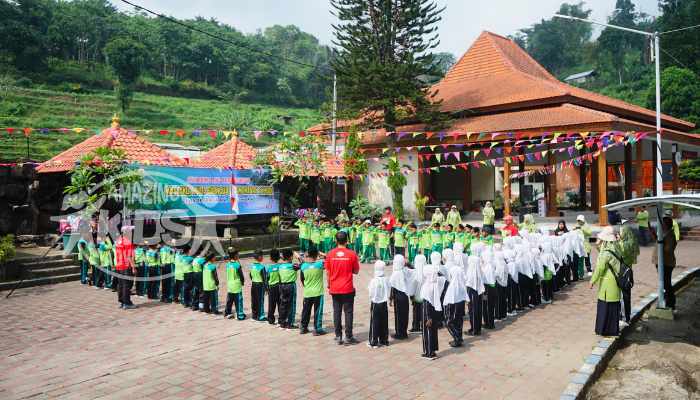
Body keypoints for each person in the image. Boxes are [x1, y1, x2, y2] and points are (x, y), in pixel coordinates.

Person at [325, 231, 360, 345]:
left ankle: (338, 336)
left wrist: (329, 284)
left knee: (337, 311)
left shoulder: (330, 254)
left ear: (336, 240)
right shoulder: (352, 254)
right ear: (347, 241)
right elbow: (356, 271)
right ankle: (348, 336)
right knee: (348, 312)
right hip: (347, 288)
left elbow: (328, 272)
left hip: (334, 287)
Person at [590, 227, 622, 337]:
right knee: (613, 306)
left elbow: (600, 267)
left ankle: (603, 330)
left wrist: (592, 281)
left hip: (608, 283)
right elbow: (602, 252)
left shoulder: (607, 252)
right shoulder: (615, 247)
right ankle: (613, 330)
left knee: (605, 306)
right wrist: (598, 244)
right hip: (615, 282)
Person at [420, 253, 446, 359]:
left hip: (428, 313)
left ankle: (429, 352)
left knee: (427, 332)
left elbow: (426, 303)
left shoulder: (427, 286)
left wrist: (428, 317)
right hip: (434, 311)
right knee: (433, 331)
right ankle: (433, 350)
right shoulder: (436, 283)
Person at [652, 216, 678, 309]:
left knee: (666, 284)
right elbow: (658, 241)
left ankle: (671, 303)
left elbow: (668, 249)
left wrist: (661, 243)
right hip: (661, 262)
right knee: (664, 283)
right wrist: (653, 233)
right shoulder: (664, 232)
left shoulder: (670, 235)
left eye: (662, 223)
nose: (661, 225)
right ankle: (667, 301)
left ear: (666, 225)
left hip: (666, 263)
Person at [443, 248, 468, 347]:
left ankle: (457, 338)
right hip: (460, 304)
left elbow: (449, 299)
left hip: (453, 305)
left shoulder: (452, 286)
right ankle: (459, 338)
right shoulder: (460, 284)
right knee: (459, 320)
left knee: (449, 321)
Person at [299, 248, 326, 335]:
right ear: (316, 255)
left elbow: (302, 279)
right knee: (318, 311)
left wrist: (306, 286)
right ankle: (317, 329)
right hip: (318, 292)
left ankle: (303, 327)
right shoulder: (320, 264)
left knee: (306, 311)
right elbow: (329, 259)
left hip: (307, 292)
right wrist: (321, 253)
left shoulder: (303, 266)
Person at [616, 224, 638, 323]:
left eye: (621, 232)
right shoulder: (631, 241)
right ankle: (626, 316)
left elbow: (622, 253)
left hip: (624, 272)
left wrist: (618, 241)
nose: (619, 234)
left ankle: (624, 316)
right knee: (625, 296)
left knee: (623, 296)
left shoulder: (627, 244)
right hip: (627, 271)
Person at [389, 254, 412, 340]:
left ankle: (399, 333)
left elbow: (391, 285)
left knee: (398, 315)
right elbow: (413, 269)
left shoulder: (396, 273)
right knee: (405, 314)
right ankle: (404, 332)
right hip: (405, 296)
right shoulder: (405, 270)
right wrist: (407, 264)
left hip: (398, 295)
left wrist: (390, 298)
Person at [368, 260, 390, 348]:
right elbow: (389, 288)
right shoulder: (386, 279)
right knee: (384, 321)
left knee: (374, 322)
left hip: (375, 303)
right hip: (384, 303)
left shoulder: (374, 280)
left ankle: (374, 341)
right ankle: (384, 340)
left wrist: (373, 297)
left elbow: (371, 293)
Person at [277, 248, 299, 329]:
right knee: (291, 305)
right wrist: (298, 256)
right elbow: (304, 264)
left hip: (282, 286)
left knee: (283, 304)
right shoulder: (293, 266)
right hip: (291, 286)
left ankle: (282, 322)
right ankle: (290, 323)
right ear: (290, 257)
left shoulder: (280, 266)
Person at [114, 226, 136, 309]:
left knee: (121, 285)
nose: (132, 233)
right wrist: (133, 267)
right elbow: (129, 256)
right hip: (126, 266)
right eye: (130, 231)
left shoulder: (119, 240)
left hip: (119, 265)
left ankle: (122, 302)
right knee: (127, 285)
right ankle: (127, 303)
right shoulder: (128, 242)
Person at [465, 253, 485, 336]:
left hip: (472, 291)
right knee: (478, 310)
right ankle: (477, 328)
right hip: (478, 291)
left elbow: (469, 282)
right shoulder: (479, 270)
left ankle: (474, 329)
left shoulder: (471, 271)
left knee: (472, 310)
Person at [224, 247, 246, 320]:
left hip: (230, 285)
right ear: (235, 256)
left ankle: (227, 313)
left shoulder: (227, 265)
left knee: (229, 300)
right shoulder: (237, 265)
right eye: (237, 254)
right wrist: (243, 282)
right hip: (237, 285)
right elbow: (241, 275)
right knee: (238, 300)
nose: (238, 256)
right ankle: (240, 314)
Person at [249, 249, 267, 321]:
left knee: (254, 300)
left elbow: (250, 275)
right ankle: (261, 316)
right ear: (259, 257)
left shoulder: (252, 266)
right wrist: (266, 288)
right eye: (262, 256)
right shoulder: (262, 267)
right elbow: (264, 278)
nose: (263, 257)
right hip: (260, 285)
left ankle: (254, 315)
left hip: (253, 284)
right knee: (260, 300)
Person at [265, 249, 281, 325]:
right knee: (280, 303)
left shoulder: (268, 268)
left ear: (270, 257)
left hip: (271, 287)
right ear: (279, 257)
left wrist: (266, 288)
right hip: (280, 287)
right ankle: (281, 319)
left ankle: (270, 319)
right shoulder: (280, 267)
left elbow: (266, 279)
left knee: (271, 304)